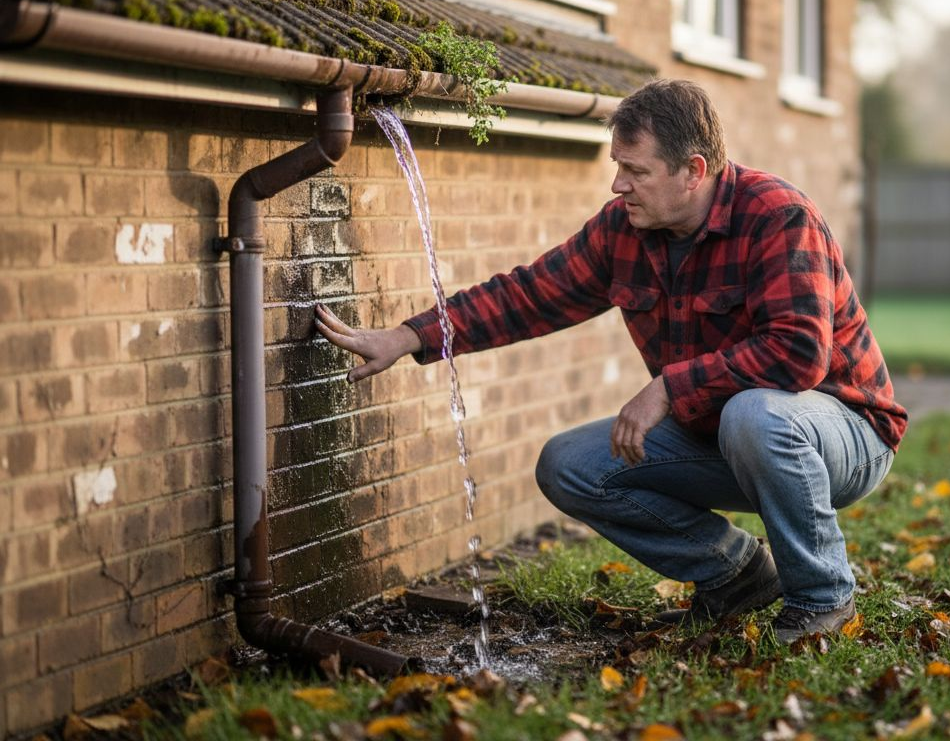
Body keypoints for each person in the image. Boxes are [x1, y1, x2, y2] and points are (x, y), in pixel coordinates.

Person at [315, 79, 908, 642]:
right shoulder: (624, 232)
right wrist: (409, 336)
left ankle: (823, 597)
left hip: (843, 432)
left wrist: (667, 390)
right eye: (617, 167)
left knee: (757, 413)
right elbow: (528, 296)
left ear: (693, 171)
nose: (618, 185)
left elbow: (797, 354)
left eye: (636, 170)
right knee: (570, 464)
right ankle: (735, 574)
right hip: (726, 431)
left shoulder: (778, 217)